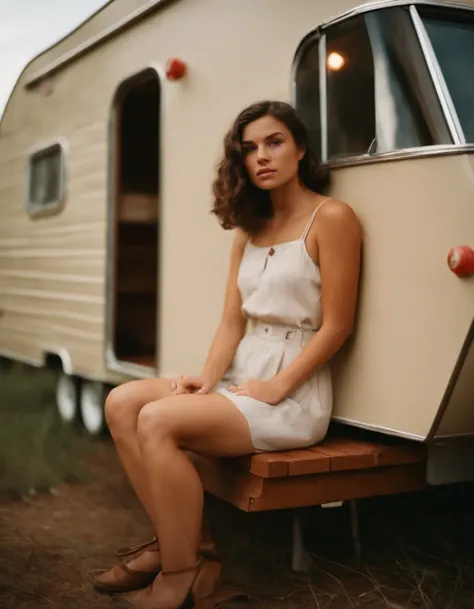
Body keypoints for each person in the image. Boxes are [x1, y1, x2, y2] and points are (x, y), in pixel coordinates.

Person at [90, 100, 362, 608]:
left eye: (274, 142)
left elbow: (338, 326)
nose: (261, 156)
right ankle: (197, 557)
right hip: (242, 375)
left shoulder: (333, 217)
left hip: (292, 392)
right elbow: (232, 323)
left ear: (300, 148)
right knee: (123, 401)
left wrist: (278, 386)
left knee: (157, 421)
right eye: (249, 149)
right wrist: (206, 377)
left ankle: (177, 574)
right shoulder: (249, 231)